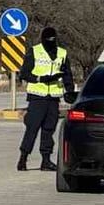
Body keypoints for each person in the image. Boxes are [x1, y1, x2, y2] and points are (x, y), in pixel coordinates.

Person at [16, 25, 74, 171]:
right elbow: (24, 73)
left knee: (49, 129)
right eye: (48, 39)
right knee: (32, 128)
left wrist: (70, 91)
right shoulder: (35, 51)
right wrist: (41, 79)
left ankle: (46, 160)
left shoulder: (62, 53)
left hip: (53, 98)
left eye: (53, 39)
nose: (50, 41)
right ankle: (23, 158)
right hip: (37, 96)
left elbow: (67, 74)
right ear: (42, 39)